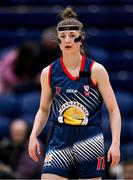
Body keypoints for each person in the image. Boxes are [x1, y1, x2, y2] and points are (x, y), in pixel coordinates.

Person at [28, 6, 121, 179]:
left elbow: (114, 110)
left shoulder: (96, 70)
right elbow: (43, 109)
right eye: (63, 36)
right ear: (58, 40)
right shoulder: (48, 72)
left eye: (72, 35)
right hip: (60, 138)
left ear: (81, 38)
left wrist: (115, 143)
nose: (67, 40)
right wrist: (34, 135)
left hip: (89, 139)